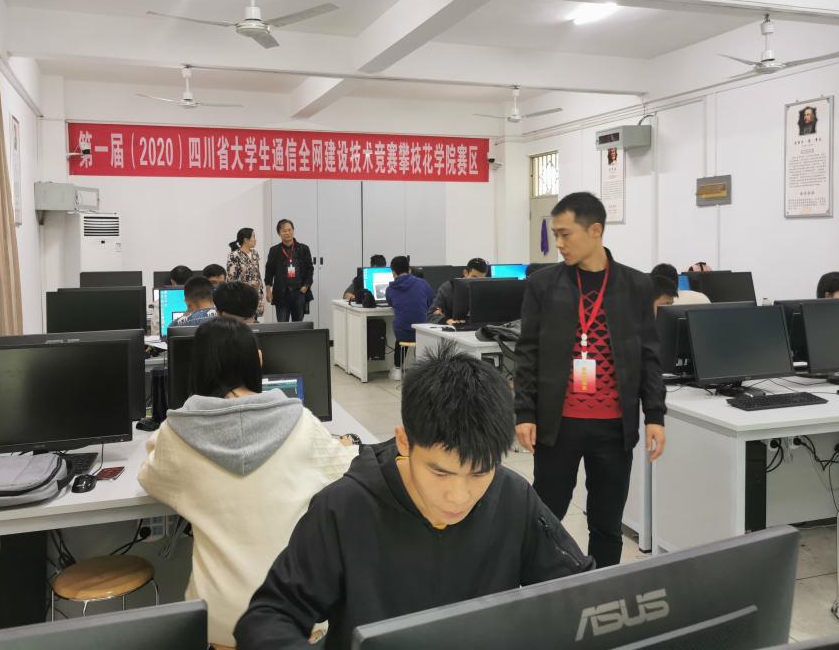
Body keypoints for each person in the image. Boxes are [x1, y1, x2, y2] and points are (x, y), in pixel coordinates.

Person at [234, 345, 594, 649]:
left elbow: (585, 597)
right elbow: (269, 618)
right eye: (440, 472)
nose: (458, 496)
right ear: (404, 441)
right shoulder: (344, 508)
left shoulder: (513, 497)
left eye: (478, 473)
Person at [138, 318, 359, 647]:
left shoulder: (178, 433)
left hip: (217, 620)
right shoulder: (300, 421)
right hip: (293, 615)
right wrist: (346, 443)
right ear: (258, 360)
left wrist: (165, 434)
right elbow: (344, 469)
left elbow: (149, 476)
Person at [515, 191, 666, 569]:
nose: (559, 243)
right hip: (558, 425)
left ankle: (601, 588)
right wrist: (524, 412)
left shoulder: (636, 286)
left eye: (566, 234)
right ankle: (539, 585)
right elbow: (528, 351)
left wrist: (655, 415)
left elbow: (649, 355)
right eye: (556, 234)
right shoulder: (543, 285)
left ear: (595, 230)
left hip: (614, 428)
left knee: (606, 523)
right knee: (545, 518)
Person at [385, 256, 435, 381]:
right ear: (409, 269)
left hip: (402, 333)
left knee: (400, 336)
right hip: (421, 331)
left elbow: (391, 303)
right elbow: (431, 301)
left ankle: (397, 369)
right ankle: (420, 369)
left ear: (393, 272)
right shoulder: (423, 283)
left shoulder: (390, 289)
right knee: (418, 334)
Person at [264, 219, 314, 322]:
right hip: (281, 293)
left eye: (289, 230)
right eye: (284, 231)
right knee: (282, 325)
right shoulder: (274, 250)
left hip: (299, 292)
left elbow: (310, 269)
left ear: (293, 230)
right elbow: (269, 271)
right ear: (279, 233)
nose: (287, 233)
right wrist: (268, 291)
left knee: (298, 324)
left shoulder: (303, 248)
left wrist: (306, 286)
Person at [428, 257, 488, 325]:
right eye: (474, 277)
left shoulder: (486, 289)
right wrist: (446, 321)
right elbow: (432, 314)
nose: (477, 282)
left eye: (481, 279)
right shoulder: (448, 288)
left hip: (479, 327)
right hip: (454, 327)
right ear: (465, 273)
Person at [227, 227, 265, 316]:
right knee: (243, 318)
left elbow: (257, 273)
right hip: (242, 294)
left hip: (256, 293)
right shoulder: (234, 255)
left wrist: (260, 290)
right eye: (253, 237)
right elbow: (231, 277)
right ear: (246, 240)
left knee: (254, 318)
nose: (255, 240)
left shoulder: (255, 253)